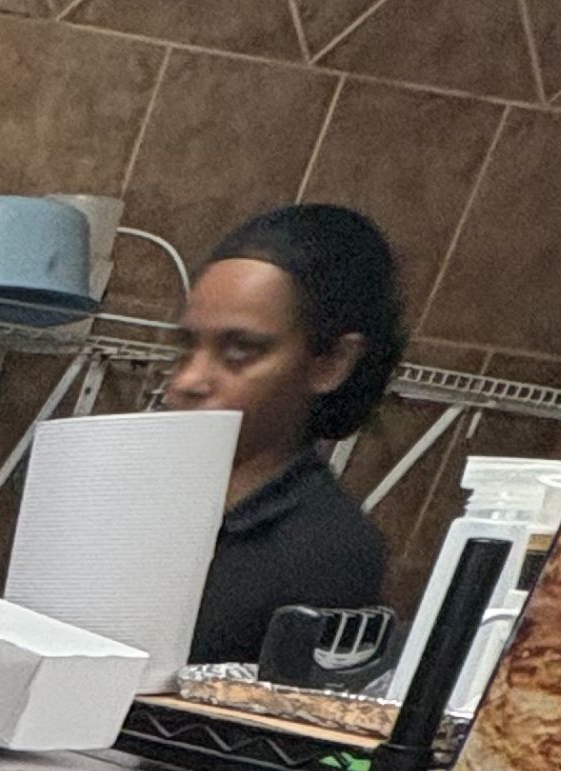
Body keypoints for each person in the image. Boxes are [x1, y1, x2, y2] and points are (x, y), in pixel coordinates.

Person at [167, 203, 406, 668]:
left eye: (240, 351)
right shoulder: (139, 488)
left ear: (330, 363)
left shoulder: (326, 551)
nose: (189, 379)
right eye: (187, 347)